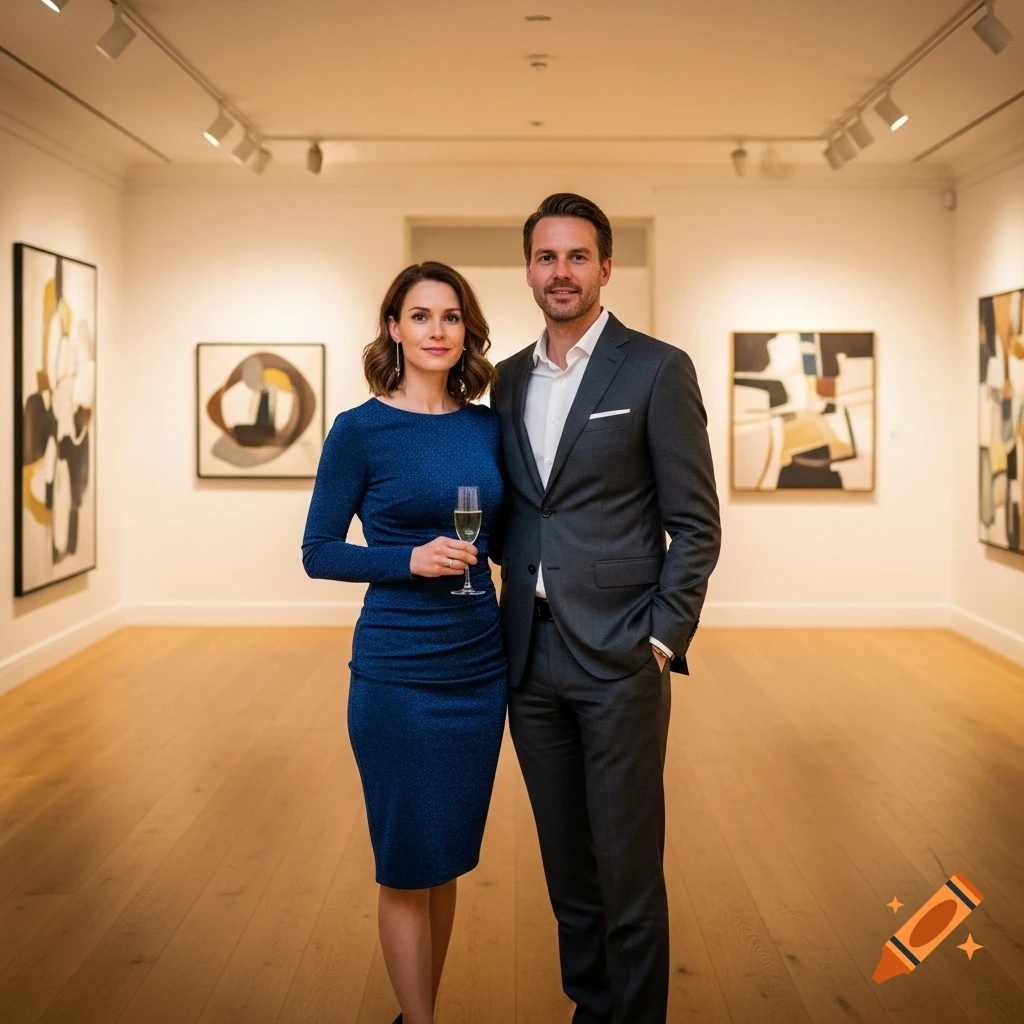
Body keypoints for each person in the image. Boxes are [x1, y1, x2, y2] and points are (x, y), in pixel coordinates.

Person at [491, 193, 721, 1024]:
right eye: (547, 257)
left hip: (623, 658)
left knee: (627, 871)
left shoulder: (658, 368)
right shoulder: (508, 378)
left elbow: (695, 523)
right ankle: (592, 1010)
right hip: (529, 659)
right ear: (528, 269)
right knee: (567, 871)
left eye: (577, 257)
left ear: (605, 268)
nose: (561, 272)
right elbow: (521, 509)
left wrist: (662, 638)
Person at [302, 262, 506, 1024]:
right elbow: (319, 550)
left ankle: (422, 1011)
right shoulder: (359, 431)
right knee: (405, 862)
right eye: (420, 316)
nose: (436, 331)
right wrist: (406, 559)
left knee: (445, 856)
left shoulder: (487, 425)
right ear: (393, 326)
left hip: (481, 670)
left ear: (466, 330)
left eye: (451, 317)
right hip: (397, 673)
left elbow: (511, 534)